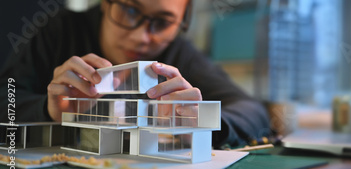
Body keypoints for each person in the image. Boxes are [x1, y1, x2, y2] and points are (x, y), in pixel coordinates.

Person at [0, 0, 271, 148]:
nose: (140, 37)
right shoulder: (58, 29)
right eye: (129, 9)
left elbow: (252, 110)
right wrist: (47, 111)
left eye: (162, 22)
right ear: (105, 4)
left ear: (182, 24)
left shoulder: (179, 54)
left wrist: (204, 123)